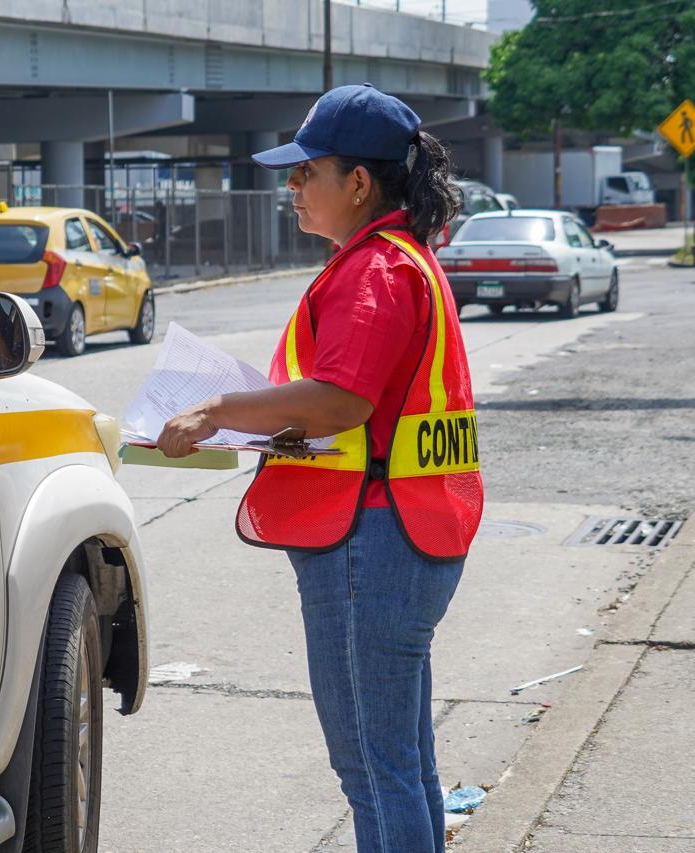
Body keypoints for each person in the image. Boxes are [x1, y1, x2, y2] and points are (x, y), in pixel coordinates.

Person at [156, 84, 484, 853]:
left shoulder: (374, 270)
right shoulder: (407, 258)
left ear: (359, 182)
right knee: (403, 765)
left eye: (307, 172)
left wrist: (217, 410)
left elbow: (340, 401)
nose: (292, 186)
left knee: (374, 771)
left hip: (369, 543)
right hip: (409, 531)